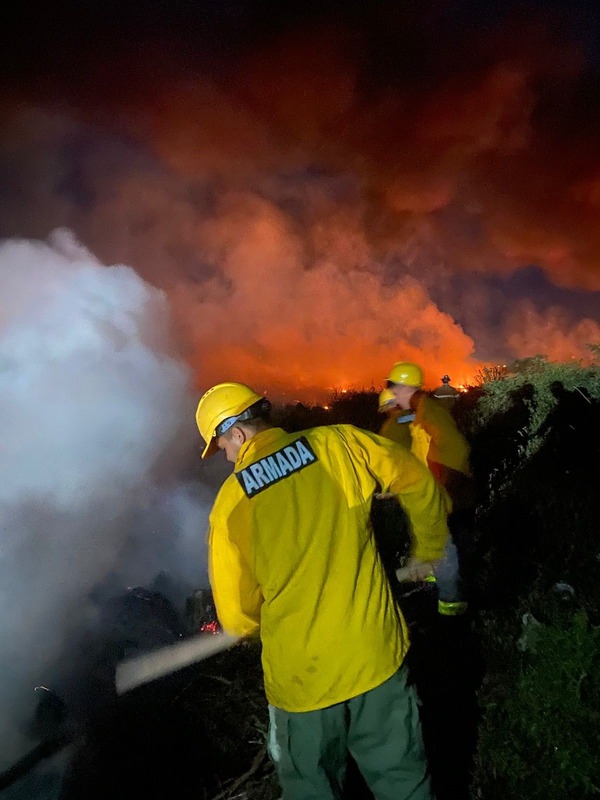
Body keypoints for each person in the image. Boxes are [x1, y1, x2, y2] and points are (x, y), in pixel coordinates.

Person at [196, 381, 451, 800]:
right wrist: (427, 548)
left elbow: (238, 615)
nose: (225, 455)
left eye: (221, 445)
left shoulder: (231, 501)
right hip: (375, 656)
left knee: (313, 790)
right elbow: (418, 482)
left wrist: (252, 627)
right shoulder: (338, 442)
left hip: (303, 684)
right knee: (404, 784)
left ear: (238, 434)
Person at [385, 362, 474, 615]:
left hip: (442, 494)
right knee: (436, 545)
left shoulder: (429, 411)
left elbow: (456, 449)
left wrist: (440, 487)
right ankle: (435, 585)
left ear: (405, 387)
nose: (391, 393)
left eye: (393, 387)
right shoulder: (417, 411)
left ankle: (452, 608)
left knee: (444, 549)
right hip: (432, 493)